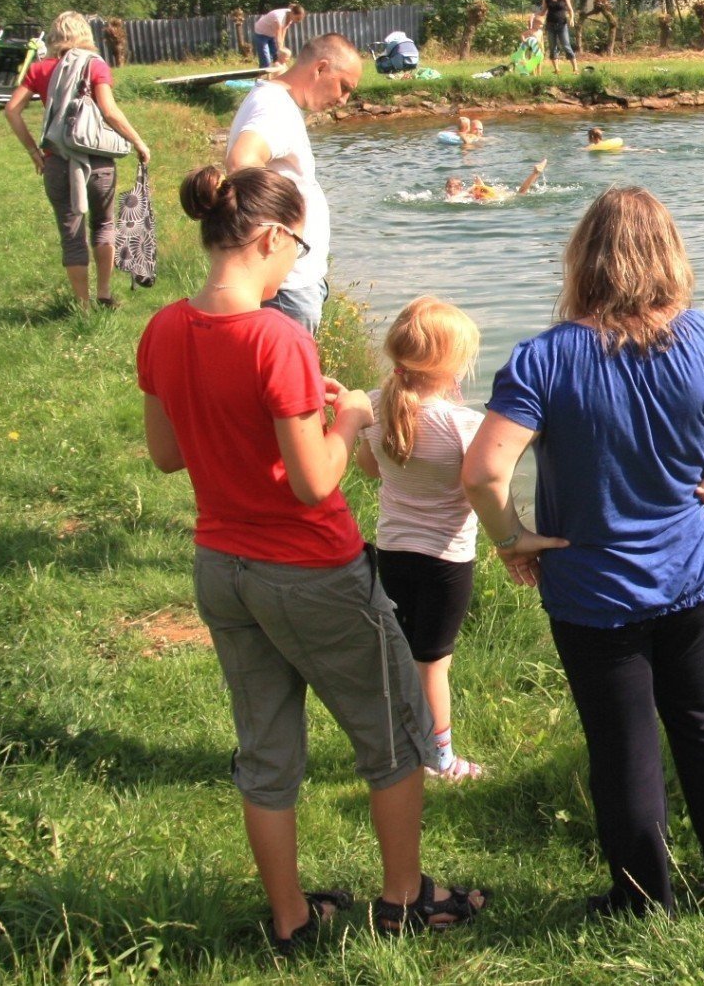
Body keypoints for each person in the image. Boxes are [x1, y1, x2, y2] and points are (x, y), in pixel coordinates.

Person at [138, 165, 487, 950]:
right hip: (310, 571)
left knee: (266, 752)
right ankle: (405, 901)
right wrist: (353, 415)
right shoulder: (277, 335)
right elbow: (314, 481)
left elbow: (165, 454)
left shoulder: (163, 327)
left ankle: (292, 921)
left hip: (221, 567)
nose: (299, 259)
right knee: (394, 736)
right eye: (298, 244)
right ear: (269, 237)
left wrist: (282, 417)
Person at [462, 186, 704, 917]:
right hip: (694, 574)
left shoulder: (546, 358)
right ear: (671, 256)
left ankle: (641, 904)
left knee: (622, 744)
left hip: (595, 593)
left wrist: (513, 540)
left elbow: (481, 472)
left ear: (584, 260)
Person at [355, 298, 488, 782]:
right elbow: (480, 486)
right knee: (434, 661)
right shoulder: (463, 424)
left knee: (406, 648)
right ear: (453, 364)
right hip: (445, 560)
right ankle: (440, 759)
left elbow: (370, 468)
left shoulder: (373, 404)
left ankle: (400, 736)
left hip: (392, 550)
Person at [3, 11, 153, 310]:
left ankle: (82, 308)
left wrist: (34, 151)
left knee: (71, 234)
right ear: (85, 34)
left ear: (55, 36)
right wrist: (137, 141)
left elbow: (11, 110)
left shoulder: (39, 69)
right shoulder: (94, 65)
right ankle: (105, 294)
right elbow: (109, 111)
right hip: (98, 161)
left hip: (57, 162)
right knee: (104, 225)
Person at [226, 34, 363, 334]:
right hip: (287, 289)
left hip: (290, 281)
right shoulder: (275, 108)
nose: (343, 100)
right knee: (285, 381)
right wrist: (280, 234)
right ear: (321, 68)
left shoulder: (272, 99)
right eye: (344, 87)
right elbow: (241, 162)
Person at [443, 161, 549, 203]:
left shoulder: (458, 195)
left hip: (492, 196)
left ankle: (535, 173)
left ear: (459, 188)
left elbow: (453, 200)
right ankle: (535, 173)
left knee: (520, 193)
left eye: (451, 187)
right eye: (448, 187)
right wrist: (479, 185)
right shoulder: (463, 192)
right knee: (519, 193)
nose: (449, 189)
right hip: (488, 194)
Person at [541, 0, 578, 74]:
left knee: (566, 46)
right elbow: (543, 11)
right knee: (553, 47)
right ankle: (557, 69)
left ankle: (575, 69)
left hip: (562, 25)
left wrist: (572, 19)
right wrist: (534, 16)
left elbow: (570, 10)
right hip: (550, 25)